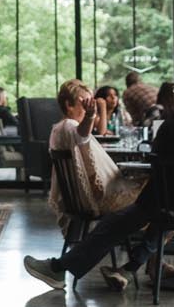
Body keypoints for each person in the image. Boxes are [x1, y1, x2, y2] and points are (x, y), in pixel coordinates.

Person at [24, 65, 174, 293]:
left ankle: (60, 267)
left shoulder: (172, 127)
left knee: (121, 220)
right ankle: (130, 268)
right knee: (160, 214)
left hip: (173, 205)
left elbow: (158, 166)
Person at [44, 80, 144, 288]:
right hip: (92, 200)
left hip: (79, 198)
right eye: (85, 102)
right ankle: (144, 263)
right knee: (159, 201)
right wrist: (90, 116)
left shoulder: (59, 128)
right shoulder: (69, 126)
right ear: (69, 105)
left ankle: (140, 266)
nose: (90, 107)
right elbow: (82, 136)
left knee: (158, 204)